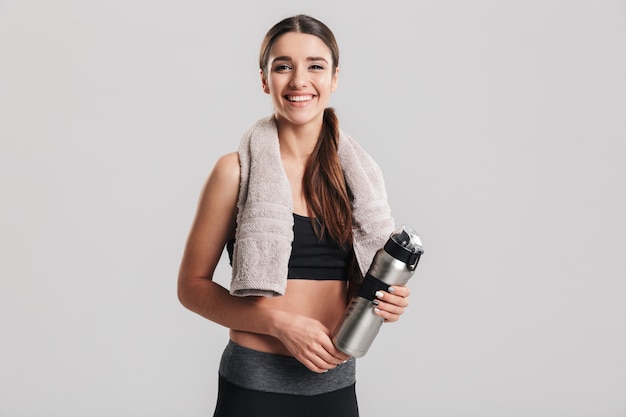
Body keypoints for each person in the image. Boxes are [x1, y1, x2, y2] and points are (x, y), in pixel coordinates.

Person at [177, 14, 410, 417]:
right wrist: (278, 323)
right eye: (283, 66)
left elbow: (366, 275)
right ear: (265, 80)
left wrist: (389, 302)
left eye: (315, 66)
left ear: (334, 78)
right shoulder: (234, 172)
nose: (299, 80)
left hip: (336, 385)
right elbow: (191, 288)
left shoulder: (359, 177)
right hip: (254, 386)